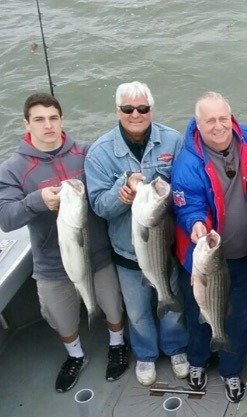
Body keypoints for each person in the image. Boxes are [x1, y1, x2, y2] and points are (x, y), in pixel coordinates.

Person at [0, 93, 128, 392]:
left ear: (62, 120)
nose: (48, 126)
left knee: (112, 307)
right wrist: (37, 200)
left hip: (97, 256)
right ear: (27, 124)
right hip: (52, 265)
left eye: (53, 118)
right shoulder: (13, 169)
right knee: (62, 318)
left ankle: (117, 344)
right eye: (39, 120)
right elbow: (6, 219)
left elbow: (111, 185)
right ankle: (75, 356)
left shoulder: (87, 153)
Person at [85, 81, 188, 386]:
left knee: (170, 301)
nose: (135, 114)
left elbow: (184, 189)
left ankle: (176, 347)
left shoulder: (173, 140)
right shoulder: (100, 153)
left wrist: (162, 194)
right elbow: (99, 206)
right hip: (127, 252)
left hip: (164, 246)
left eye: (142, 108)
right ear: (117, 111)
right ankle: (145, 354)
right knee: (138, 310)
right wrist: (122, 192)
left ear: (151, 110)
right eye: (127, 109)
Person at [171, 92, 247, 403]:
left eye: (223, 118)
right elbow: (187, 205)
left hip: (245, 256)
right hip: (206, 259)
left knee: (238, 318)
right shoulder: (187, 162)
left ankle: (231, 370)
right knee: (200, 313)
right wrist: (196, 224)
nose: (218, 126)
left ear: (232, 117)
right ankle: (197, 362)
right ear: (198, 124)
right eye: (210, 120)